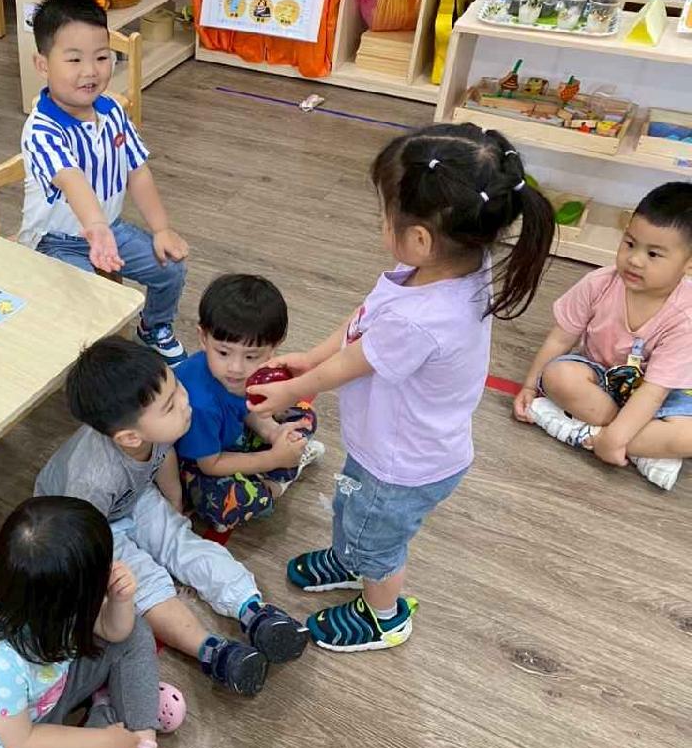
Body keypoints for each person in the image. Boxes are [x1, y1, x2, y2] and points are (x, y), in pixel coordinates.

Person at [248, 124, 556, 652]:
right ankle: (350, 557)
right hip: (391, 444)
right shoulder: (449, 263)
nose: (380, 222)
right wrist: (313, 355)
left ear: (420, 238)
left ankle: (383, 616)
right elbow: (367, 317)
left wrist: (296, 387)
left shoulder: (424, 319)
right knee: (354, 510)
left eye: (384, 213)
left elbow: (355, 363)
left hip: (400, 465)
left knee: (378, 542)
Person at [36, 338, 309, 698]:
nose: (185, 402)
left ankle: (254, 611)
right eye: (170, 405)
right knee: (144, 585)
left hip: (131, 497)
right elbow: (82, 539)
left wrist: (175, 502)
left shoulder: (157, 431)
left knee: (183, 543)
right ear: (130, 437)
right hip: (86, 528)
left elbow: (162, 457)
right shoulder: (90, 479)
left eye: (177, 388)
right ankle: (212, 652)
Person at [20, 0, 189, 366]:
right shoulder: (42, 129)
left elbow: (137, 171)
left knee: (171, 268)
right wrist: (95, 227)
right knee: (92, 306)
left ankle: (154, 327)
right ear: (42, 65)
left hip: (109, 230)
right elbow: (71, 180)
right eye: (74, 59)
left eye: (101, 56)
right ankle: (88, 366)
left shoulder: (111, 110)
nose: (90, 71)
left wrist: (161, 229)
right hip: (55, 241)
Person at [0, 497, 164, 748]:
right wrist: (105, 742)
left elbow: (116, 633)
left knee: (136, 630)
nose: (111, 572)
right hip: (15, 747)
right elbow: (23, 743)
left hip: (54, 691)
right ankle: (112, 714)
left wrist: (120, 600)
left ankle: (141, 742)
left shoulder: (47, 598)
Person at [514, 181, 692, 491]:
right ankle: (644, 448)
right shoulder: (599, 283)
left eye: (653, 254)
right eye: (630, 243)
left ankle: (586, 432)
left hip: (660, 392)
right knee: (557, 376)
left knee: (688, 436)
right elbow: (560, 338)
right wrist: (530, 385)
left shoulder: (685, 316)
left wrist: (614, 439)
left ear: (688, 264)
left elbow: (654, 391)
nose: (635, 259)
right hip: (600, 377)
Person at [174, 274, 325, 532]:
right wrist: (273, 458)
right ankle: (277, 483)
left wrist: (273, 432)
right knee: (233, 503)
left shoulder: (237, 374)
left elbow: (247, 407)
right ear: (203, 338)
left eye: (251, 356)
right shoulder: (199, 403)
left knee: (303, 416)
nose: (235, 368)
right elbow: (210, 465)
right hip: (198, 462)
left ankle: (281, 463)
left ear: (273, 348)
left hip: (231, 439)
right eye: (223, 352)